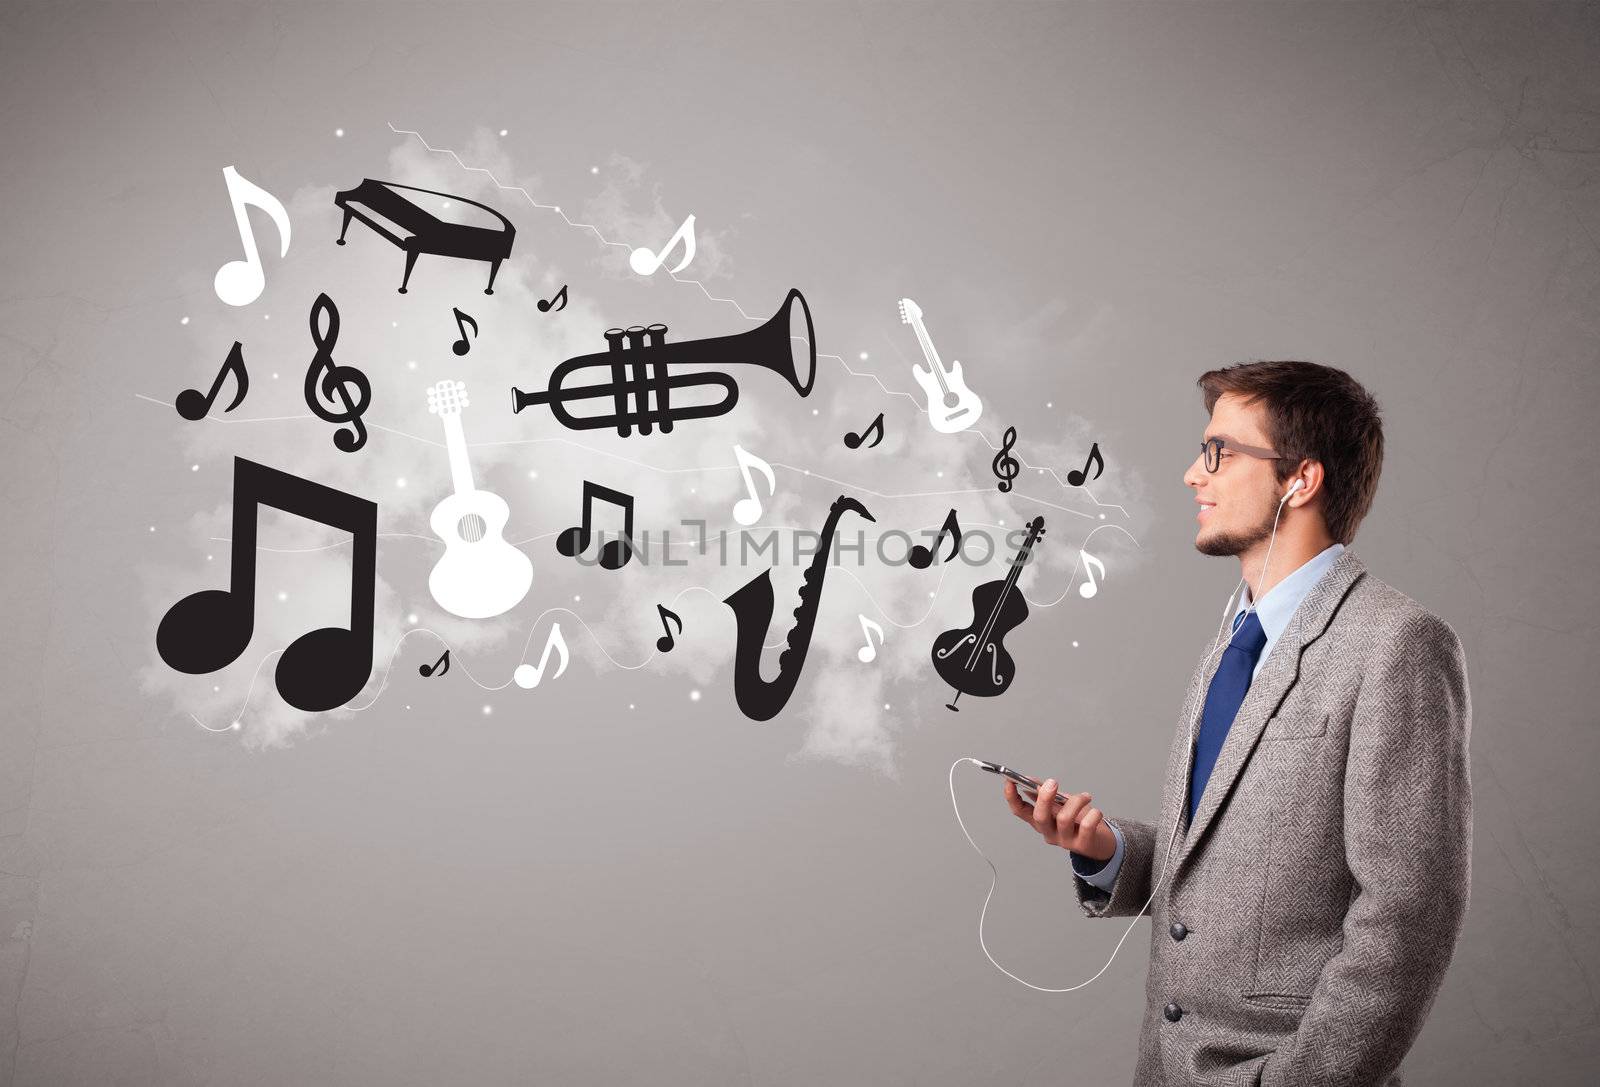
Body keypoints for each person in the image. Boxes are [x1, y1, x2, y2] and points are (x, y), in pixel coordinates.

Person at [1003, 361, 1471, 1086]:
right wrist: (1106, 850)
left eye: (1219, 451)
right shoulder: (1235, 636)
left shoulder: (1398, 643)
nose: (1194, 473)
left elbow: (1409, 916)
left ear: (1300, 480)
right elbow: (1234, 865)